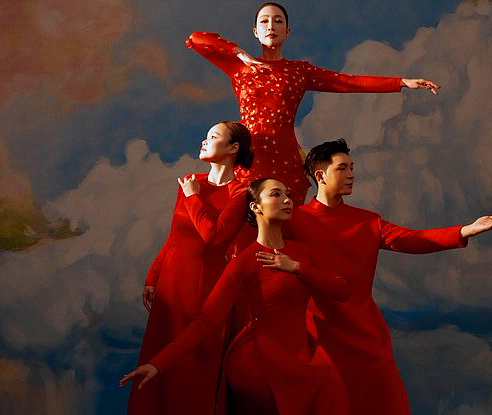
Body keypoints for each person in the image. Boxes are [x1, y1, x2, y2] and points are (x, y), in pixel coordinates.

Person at [288, 139, 492, 415]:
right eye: (342, 168)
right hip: (317, 336)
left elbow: (412, 239)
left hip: (365, 336)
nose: (351, 174)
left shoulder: (368, 221)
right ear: (320, 175)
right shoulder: (293, 222)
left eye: (352, 167)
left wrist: (466, 230)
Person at [121, 178, 351, 415]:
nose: (287, 200)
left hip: (302, 353)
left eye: (288, 194)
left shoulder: (304, 253)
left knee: (330, 388)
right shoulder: (244, 262)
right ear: (255, 206)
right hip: (258, 356)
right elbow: (206, 320)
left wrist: (296, 267)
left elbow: (341, 290)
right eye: (276, 194)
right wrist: (157, 364)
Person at [186, 1, 440, 205]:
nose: (271, 26)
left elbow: (347, 82)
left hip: (285, 160)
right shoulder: (240, 68)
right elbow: (196, 40)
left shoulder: (299, 71)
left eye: (278, 21)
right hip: (248, 160)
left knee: (285, 234)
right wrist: (238, 52)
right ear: (255, 32)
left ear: (288, 31)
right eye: (264, 21)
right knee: (243, 233)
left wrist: (401, 82)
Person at [127, 121, 253, 415]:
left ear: (233, 148)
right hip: (171, 284)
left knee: (193, 367)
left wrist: (193, 197)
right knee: (159, 361)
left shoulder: (241, 192)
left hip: (204, 287)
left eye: (213, 137)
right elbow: (175, 236)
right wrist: (153, 275)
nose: (204, 141)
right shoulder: (190, 181)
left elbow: (214, 238)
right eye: (206, 136)